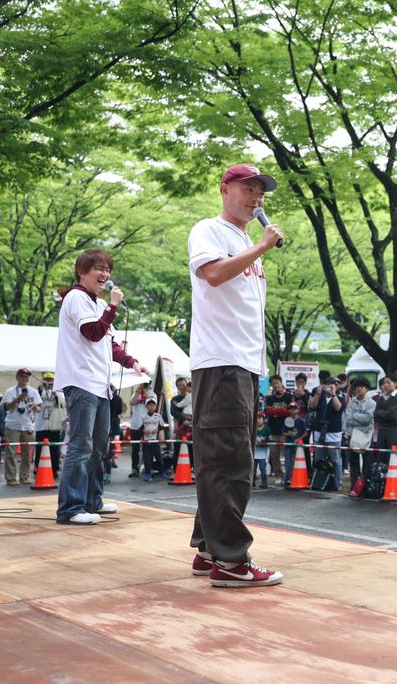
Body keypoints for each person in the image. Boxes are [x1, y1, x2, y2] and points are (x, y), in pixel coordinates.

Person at [187, 162, 284, 587]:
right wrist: (262, 246)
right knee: (229, 460)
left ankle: (209, 548)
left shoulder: (244, 240)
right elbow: (212, 274)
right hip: (222, 361)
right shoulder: (209, 230)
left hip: (244, 365)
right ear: (225, 189)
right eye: (247, 188)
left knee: (225, 457)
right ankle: (231, 561)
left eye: (260, 191)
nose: (255, 197)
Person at [53, 248, 145, 525]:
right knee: (82, 446)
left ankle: (92, 501)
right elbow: (91, 333)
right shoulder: (77, 297)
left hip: (100, 385)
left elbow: (109, 344)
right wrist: (113, 306)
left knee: (98, 447)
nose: (105, 274)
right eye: (99, 269)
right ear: (82, 272)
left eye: (107, 269)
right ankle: (70, 508)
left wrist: (132, 363)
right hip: (81, 382)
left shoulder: (96, 304)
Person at [3, 368, 42, 486]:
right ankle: (10, 478)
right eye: (22, 377)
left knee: (27, 453)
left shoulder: (33, 391)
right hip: (13, 425)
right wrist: (18, 399)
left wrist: (35, 406)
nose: (24, 379)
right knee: (11, 452)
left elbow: (39, 409)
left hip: (28, 424)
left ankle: (24, 476)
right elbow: (6, 407)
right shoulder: (10, 391)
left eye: (26, 377)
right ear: (17, 378)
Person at [309, 374, 346, 491]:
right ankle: (319, 482)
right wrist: (318, 393)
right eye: (328, 385)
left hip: (333, 433)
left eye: (334, 385)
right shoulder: (320, 397)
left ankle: (337, 483)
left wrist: (333, 394)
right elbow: (312, 407)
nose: (331, 388)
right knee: (318, 458)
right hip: (319, 431)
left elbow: (338, 408)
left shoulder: (340, 396)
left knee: (335, 459)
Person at [344, 378, 375, 489]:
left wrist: (355, 416)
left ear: (366, 389)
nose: (359, 389)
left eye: (362, 387)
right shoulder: (352, 402)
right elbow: (348, 418)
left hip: (366, 436)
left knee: (367, 463)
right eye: (357, 387)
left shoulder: (371, 403)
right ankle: (354, 487)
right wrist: (357, 418)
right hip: (353, 436)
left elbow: (368, 419)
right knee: (354, 463)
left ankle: (366, 487)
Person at [34, 372, 65, 477]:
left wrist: (55, 393)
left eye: (51, 381)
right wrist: (41, 388)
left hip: (54, 425)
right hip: (41, 425)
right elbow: (36, 402)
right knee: (39, 448)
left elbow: (62, 403)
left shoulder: (59, 393)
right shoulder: (39, 392)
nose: (49, 383)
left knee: (54, 449)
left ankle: (54, 468)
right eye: (46, 380)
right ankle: (38, 467)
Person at [373, 374, 397, 465]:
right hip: (381, 429)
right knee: (381, 456)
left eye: (388, 382)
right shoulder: (381, 397)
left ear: (395, 384)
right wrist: (385, 413)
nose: (385, 385)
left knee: (393, 457)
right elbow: (375, 414)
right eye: (384, 383)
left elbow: (393, 415)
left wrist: (382, 413)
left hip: (393, 430)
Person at [139, 398, 169, 481]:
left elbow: (162, 426)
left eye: (153, 405)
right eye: (149, 405)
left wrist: (158, 430)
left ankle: (162, 473)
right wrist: (144, 431)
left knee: (159, 457)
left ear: (155, 406)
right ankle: (148, 473)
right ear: (146, 407)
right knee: (147, 458)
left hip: (155, 440)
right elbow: (139, 428)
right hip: (146, 441)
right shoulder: (143, 417)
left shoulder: (158, 417)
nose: (151, 407)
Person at [253, 413, 270, 489]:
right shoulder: (253, 429)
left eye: (260, 418)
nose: (258, 420)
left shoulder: (267, 429)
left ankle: (264, 483)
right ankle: (252, 482)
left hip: (262, 454)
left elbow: (269, 440)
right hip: (254, 453)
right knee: (253, 469)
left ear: (263, 419)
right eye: (257, 418)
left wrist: (262, 442)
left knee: (263, 468)